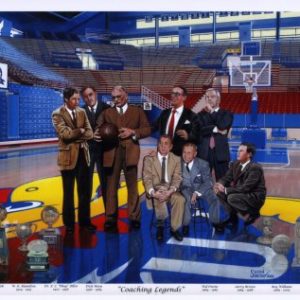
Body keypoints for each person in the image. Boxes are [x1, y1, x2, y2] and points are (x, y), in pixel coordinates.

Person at [94, 86, 151, 232]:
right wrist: (98, 133)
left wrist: (133, 132)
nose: (115, 100)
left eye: (118, 97)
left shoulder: (137, 111)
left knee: (132, 187)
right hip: (111, 152)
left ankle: (134, 217)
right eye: (113, 97)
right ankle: (110, 218)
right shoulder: (107, 112)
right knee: (111, 187)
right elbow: (98, 128)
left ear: (125, 95)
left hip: (131, 152)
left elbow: (147, 130)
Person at [52, 87, 96, 234]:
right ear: (66, 99)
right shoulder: (57, 114)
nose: (77, 101)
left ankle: (85, 222)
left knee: (84, 193)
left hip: (83, 157)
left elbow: (90, 133)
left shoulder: (82, 112)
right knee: (68, 193)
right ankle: (69, 225)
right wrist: (80, 131)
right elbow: (65, 135)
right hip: (67, 159)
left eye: (78, 99)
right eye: (74, 99)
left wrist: (78, 133)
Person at [214, 142, 266, 229]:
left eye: (241, 151)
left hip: (254, 196)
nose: (238, 153)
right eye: (238, 150)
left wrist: (226, 190)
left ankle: (254, 212)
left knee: (231, 198)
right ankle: (232, 217)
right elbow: (227, 178)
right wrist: (219, 184)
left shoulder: (255, 168)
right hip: (240, 192)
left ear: (249, 154)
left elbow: (246, 188)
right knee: (219, 192)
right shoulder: (235, 164)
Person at [142, 135, 185, 242]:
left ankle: (174, 229)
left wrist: (170, 191)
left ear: (171, 147)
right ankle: (160, 225)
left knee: (180, 199)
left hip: (170, 189)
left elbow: (177, 178)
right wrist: (152, 192)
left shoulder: (176, 159)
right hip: (156, 189)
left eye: (166, 144)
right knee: (159, 193)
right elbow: (146, 179)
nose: (163, 146)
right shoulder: (149, 159)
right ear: (157, 145)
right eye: (160, 143)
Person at [180, 143, 225, 236]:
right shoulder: (177, 163)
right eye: (184, 152)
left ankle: (215, 222)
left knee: (214, 199)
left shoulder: (203, 164)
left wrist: (197, 192)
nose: (186, 155)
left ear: (195, 154)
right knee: (185, 199)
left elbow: (208, 181)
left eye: (189, 153)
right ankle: (185, 225)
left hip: (201, 189)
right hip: (186, 188)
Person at [81, 86, 109, 208]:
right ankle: (85, 220)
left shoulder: (107, 109)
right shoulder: (80, 112)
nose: (89, 98)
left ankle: (109, 217)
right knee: (86, 185)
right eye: (86, 96)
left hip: (104, 152)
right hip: (87, 152)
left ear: (96, 93)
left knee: (106, 184)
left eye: (91, 94)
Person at [197, 88, 233, 181]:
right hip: (204, 153)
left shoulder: (227, 114)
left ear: (218, 99)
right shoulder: (201, 115)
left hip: (221, 153)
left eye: (212, 97)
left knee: (222, 183)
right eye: (207, 97)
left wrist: (212, 112)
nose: (209, 99)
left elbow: (222, 125)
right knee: (203, 183)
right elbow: (199, 131)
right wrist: (215, 129)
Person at [153, 86, 199, 157]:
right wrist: (135, 132)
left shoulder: (192, 115)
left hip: (181, 155)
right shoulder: (164, 113)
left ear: (184, 97)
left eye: (177, 94)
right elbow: (152, 127)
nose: (173, 96)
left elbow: (197, 136)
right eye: (172, 93)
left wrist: (188, 136)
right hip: (163, 153)